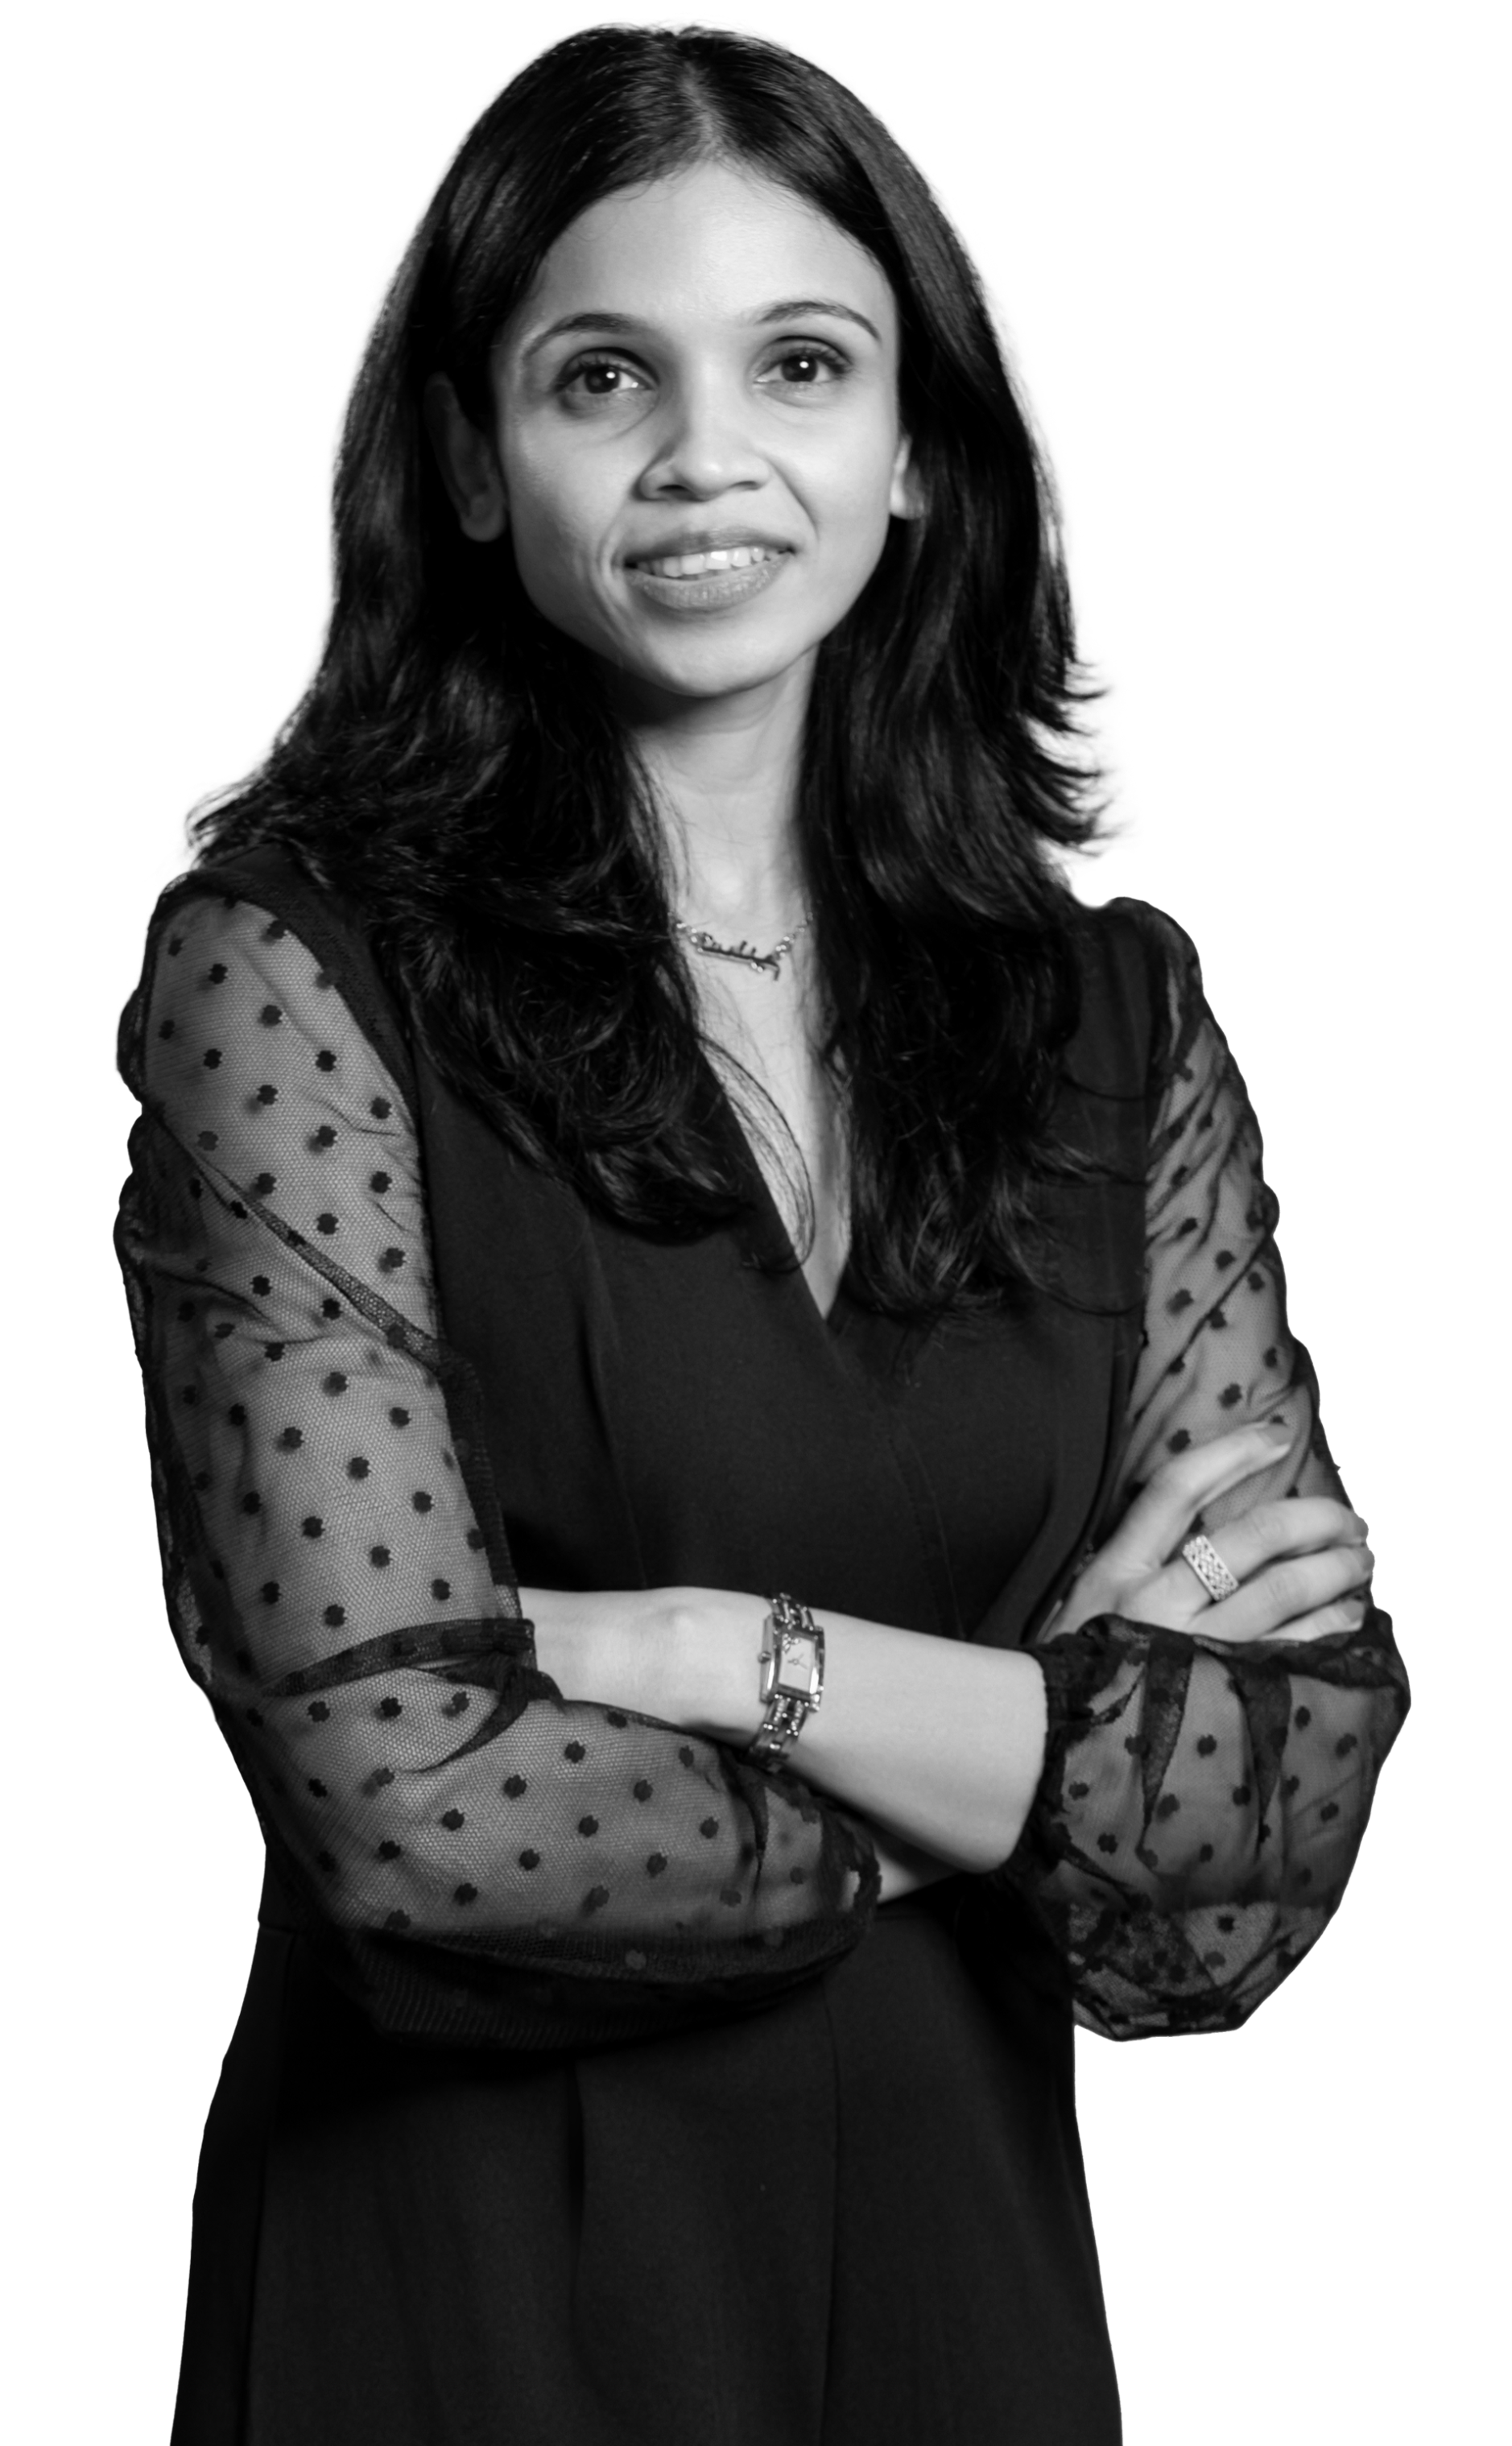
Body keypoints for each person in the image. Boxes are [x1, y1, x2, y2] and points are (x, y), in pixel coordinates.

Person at [109, 19, 1409, 2444]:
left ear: (914, 446)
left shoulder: (1116, 1016)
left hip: (960, 2299)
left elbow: (1261, 1818)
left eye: (799, 363)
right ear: (471, 465)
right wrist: (1030, 1733)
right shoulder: (288, 977)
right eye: (603, 376)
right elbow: (407, 1814)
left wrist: (713, 1652)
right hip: (461, 2312)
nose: (706, 457)